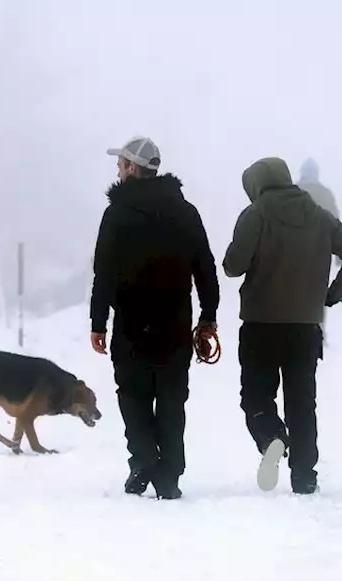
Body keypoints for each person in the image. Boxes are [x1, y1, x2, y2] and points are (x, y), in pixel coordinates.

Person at [222, 156, 342, 494]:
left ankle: (272, 436)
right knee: (302, 401)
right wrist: (332, 295)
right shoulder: (319, 215)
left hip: (260, 325)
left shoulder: (256, 213)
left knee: (256, 396)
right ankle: (305, 475)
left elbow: (233, 266)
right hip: (305, 327)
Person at [90, 136, 220, 500]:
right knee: (172, 397)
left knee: (132, 394)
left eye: (121, 163)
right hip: (175, 322)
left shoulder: (117, 214)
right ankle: (169, 476)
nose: (117, 168)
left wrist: (97, 322)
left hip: (131, 323)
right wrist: (208, 316)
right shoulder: (185, 211)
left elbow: (104, 271)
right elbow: (204, 267)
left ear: (133, 167)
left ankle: (143, 456)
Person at [297, 157, 341, 345]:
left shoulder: (291, 191)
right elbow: (336, 223)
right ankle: (317, 332)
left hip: (291, 253)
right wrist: (339, 253)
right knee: (316, 293)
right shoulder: (325, 194)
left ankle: (294, 330)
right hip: (319, 253)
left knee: (293, 290)